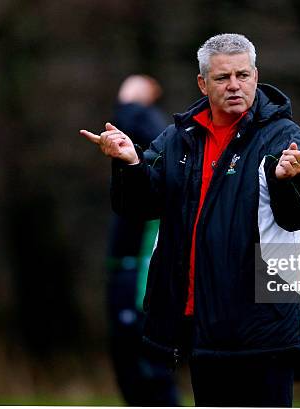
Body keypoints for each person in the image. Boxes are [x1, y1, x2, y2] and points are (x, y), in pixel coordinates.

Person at [81, 33, 300, 407]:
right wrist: (130, 163)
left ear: (256, 76)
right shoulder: (179, 138)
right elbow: (140, 207)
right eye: (222, 77)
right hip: (199, 326)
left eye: (243, 75)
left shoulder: (284, 136)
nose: (234, 86)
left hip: (263, 325)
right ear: (203, 82)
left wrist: (291, 181)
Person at [105, 75, 180, 406]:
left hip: (141, 275)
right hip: (125, 272)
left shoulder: (169, 151)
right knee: (129, 371)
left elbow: (155, 139)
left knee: (149, 371)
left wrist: (132, 102)